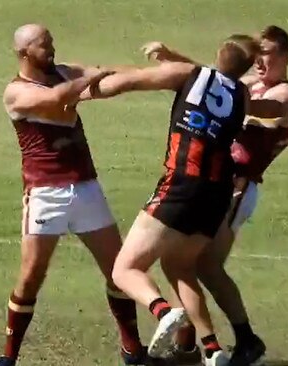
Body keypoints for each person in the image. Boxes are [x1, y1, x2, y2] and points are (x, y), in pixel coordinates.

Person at [139, 25, 288, 365]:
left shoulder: (286, 94)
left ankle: (236, 341)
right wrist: (173, 58)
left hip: (239, 189)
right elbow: (214, 83)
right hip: (217, 184)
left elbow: (254, 106)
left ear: (286, 56)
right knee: (191, 263)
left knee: (204, 265)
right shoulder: (247, 85)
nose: (261, 60)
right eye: (258, 53)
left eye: (270, 53)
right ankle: (196, 343)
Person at [85, 34, 261, 366]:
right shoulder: (242, 94)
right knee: (179, 266)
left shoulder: (190, 75)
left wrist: (82, 93)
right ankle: (212, 350)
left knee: (124, 269)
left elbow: (131, 81)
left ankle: (162, 310)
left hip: (183, 184)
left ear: (218, 52)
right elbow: (213, 77)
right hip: (217, 194)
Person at [0, 23, 151, 366]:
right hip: (45, 192)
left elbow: (100, 76)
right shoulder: (16, 92)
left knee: (119, 269)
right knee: (32, 276)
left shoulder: (64, 72)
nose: (52, 49)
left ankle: (132, 350)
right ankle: (8, 357)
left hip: (86, 187)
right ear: (23, 52)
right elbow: (55, 98)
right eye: (44, 45)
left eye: (52, 43)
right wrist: (87, 82)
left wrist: (144, 75)